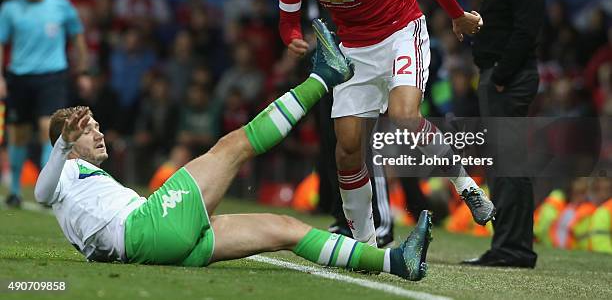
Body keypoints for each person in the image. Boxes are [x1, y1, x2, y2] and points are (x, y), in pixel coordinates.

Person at [34, 21, 432, 282]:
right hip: (146, 228)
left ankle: (396, 263)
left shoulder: (82, 180)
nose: (99, 134)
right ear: (66, 146)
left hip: (156, 243)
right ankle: (325, 76)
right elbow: (41, 192)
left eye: (95, 126)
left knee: (285, 229)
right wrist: (65, 143)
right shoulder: (64, 171)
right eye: (87, 131)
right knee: (233, 146)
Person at [276, 0, 495, 247]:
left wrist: (456, 16)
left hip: (400, 33)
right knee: (346, 149)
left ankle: (466, 186)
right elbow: (288, 16)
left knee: (405, 116)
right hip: (354, 50)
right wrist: (291, 38)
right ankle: (364, 245)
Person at [463, 0, 546, 268]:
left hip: (507, 79)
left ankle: (513, 248)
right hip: (501, 76)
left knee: (510, 166)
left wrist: (500, 76)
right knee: (505, 166)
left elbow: (527, 31)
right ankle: (508, 246)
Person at [314, 0, 393, 247]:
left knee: (367, 147)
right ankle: (345, 218)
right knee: (338, 144)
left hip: (376, 58)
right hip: (336, 62)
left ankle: (383, 224)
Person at [0, 0, 90, 208]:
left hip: (52, 76)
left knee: (45, 129)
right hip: (19, 76)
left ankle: (46, 190)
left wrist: (83, 72)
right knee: (17, 135)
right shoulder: (10, 9)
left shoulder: (61, 6)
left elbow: (78, 38)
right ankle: (15, 190)